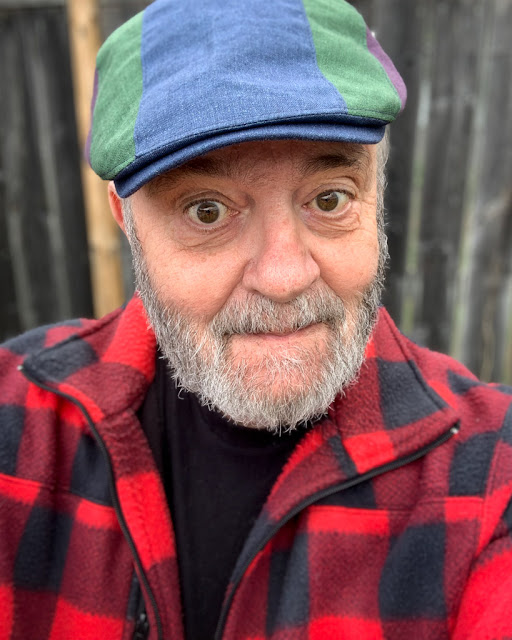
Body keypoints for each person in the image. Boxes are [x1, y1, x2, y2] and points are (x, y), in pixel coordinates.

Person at [1, 0, 511, 638]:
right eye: (207, 211)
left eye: (330, 199)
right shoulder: (14, 427)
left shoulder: (492, 476)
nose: (284, 276)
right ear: (126, 220)